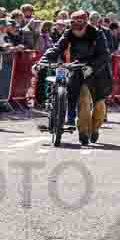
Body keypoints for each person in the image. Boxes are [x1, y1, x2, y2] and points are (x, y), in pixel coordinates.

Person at [35, 10, 112, 145]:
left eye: (80, 28)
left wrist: (92, 67)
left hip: (98, 71)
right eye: (74, 26)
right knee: (83, 99)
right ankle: (83, 132)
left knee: (99, 104)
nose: (77, 31)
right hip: (79, 69)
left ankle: (94, 129)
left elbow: (104, 55)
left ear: (86, 24)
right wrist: (42, 61)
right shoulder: (69, 32)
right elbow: (57, 48)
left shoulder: (97, 34)